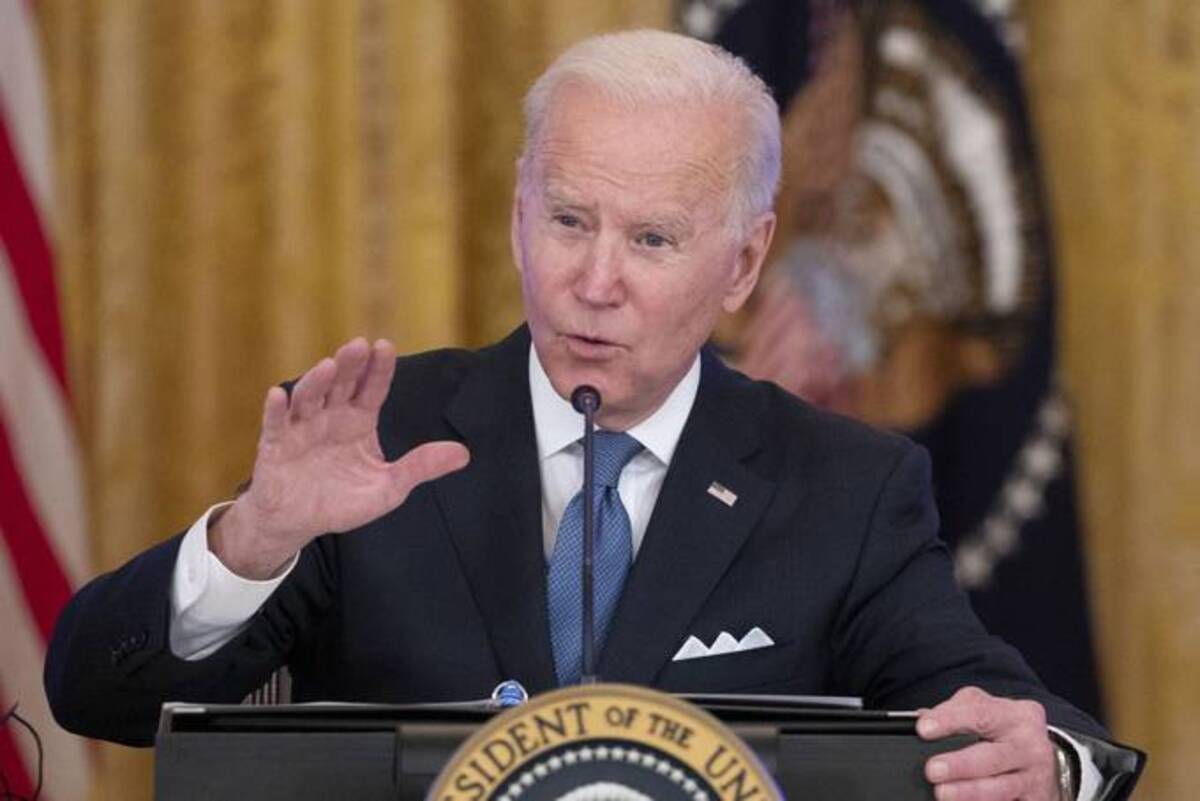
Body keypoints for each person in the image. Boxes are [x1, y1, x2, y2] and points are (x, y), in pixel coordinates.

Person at [47, 30, 1117, 801]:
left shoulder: (844, 486)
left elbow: (1002, 715)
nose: (594, 281)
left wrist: (1045, 764)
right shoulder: (377, 433)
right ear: (518, 212)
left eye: (652, 240)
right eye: (567, 220)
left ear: (744, 260)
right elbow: (96, 696)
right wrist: (255, 539)